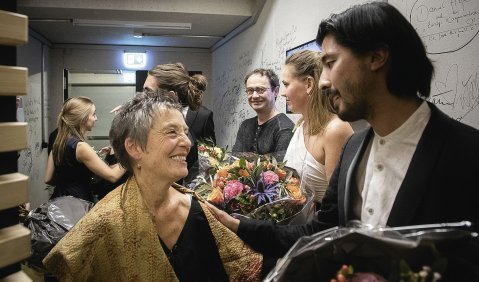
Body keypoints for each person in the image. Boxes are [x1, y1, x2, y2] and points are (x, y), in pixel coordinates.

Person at [208, 2, 479, 278]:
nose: (323, 82)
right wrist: (240, 225)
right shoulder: (354, 148)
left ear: (376, 57)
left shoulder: (466, 153)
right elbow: (322, 232)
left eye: (330, 63)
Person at [43, 91, 262, 281]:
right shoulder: (103, 223)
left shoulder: (199, 211)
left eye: (185, 132)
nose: (187, 142)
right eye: (172, 132)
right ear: (134, 147)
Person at [282, 50, 353, 208]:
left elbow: (338, 204)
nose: (282, 93)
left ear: (309, 84)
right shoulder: (301, 125)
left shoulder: (335, 130)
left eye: (286, 84)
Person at [44, 97, 126, 202]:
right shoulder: (80, 147)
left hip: (58, 201)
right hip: (78, 204)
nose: (96, 118)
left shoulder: (58, 143)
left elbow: (48, 178)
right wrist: (129, 157)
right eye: (93, 114)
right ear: (82, 118)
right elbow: (113, 176)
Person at [144, 62, 214, 183]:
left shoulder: (203, 116)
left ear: (171, 96)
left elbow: (209, 160)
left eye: (148, 91)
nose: (143, 96)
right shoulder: (143, 118)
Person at [232, 68, 294, 161]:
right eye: (250, 90)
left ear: (276, 91)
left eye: (260, 90)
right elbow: (233, 162)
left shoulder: (285, 129)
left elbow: (281, 172)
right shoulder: (245, 125)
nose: (254, 96)